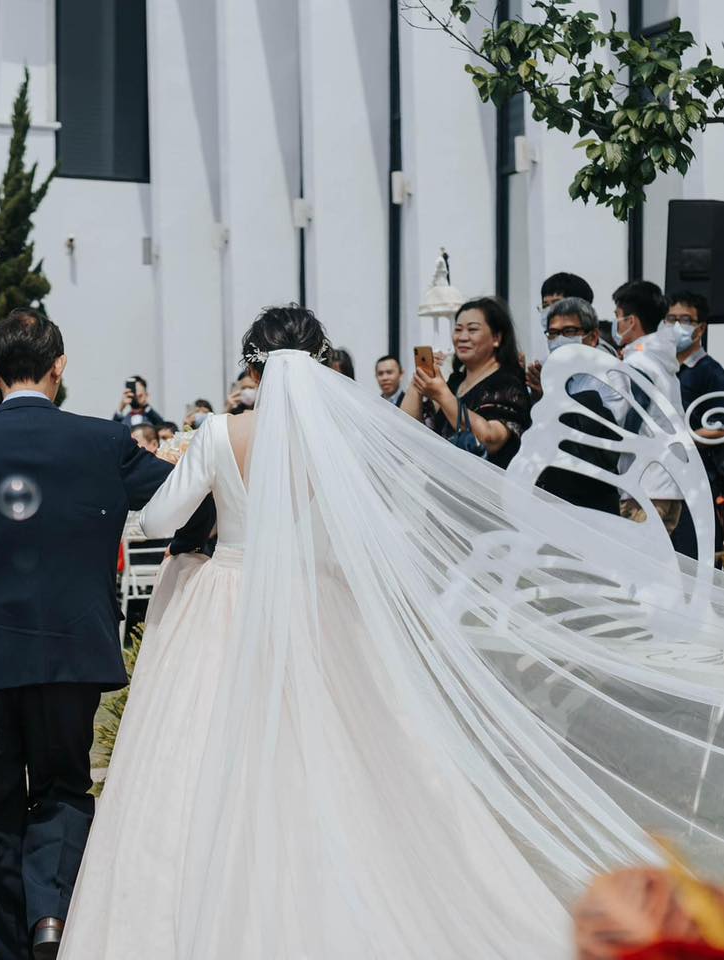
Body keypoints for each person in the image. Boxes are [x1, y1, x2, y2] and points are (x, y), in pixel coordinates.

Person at [60, 303, 724, 959]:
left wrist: (164, 516)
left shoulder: (219, 433)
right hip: (314, 598)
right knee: (332, 745)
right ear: (318, 361)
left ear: (253, 366)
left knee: (198, 748)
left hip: (224, 596)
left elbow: (158, 518)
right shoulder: (335, 435)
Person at [0, 307, 213, 960]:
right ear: (59, 367)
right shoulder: (102, 442)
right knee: (64, 791)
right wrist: (190, 549)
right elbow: (194, 498)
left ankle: (16, 948)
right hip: (73, 651)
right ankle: (53, 919)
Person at [402, 297, 530, 469]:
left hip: (485, 491)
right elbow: (404, 430)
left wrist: (442, 395)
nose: (462, 337)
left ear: (496, 338)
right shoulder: (454, 383)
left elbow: (489, 438)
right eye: (458, 329)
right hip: (441, 487)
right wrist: (419, 381)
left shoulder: (508, 384)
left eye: (472, 330)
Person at [530, 298, 621, 515]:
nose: (559, 340)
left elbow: (602, 436)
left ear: (592, 338)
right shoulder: (556, 378)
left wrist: (552, 400)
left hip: (594, 496)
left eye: (569, 331)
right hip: (555, 495)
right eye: (553, 333)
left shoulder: (610, 377)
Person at [611, 280, 685, 535]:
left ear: (631, 321)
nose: (616, 324)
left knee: (635, 564)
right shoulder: (662, 358)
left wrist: (613, 445)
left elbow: (635, 413)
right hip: (669, 481)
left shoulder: (639, 360)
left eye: (618, 317)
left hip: (644, 484)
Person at [665, 290, 724, 559]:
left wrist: (683, 439)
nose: (676, 326)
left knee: (695, 558)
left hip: (701, 482)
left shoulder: (710, 372)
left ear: (700, 328)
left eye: (684, 320)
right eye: (670, 319)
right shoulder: (665, 369)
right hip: (668, 480)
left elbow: (721, 427)